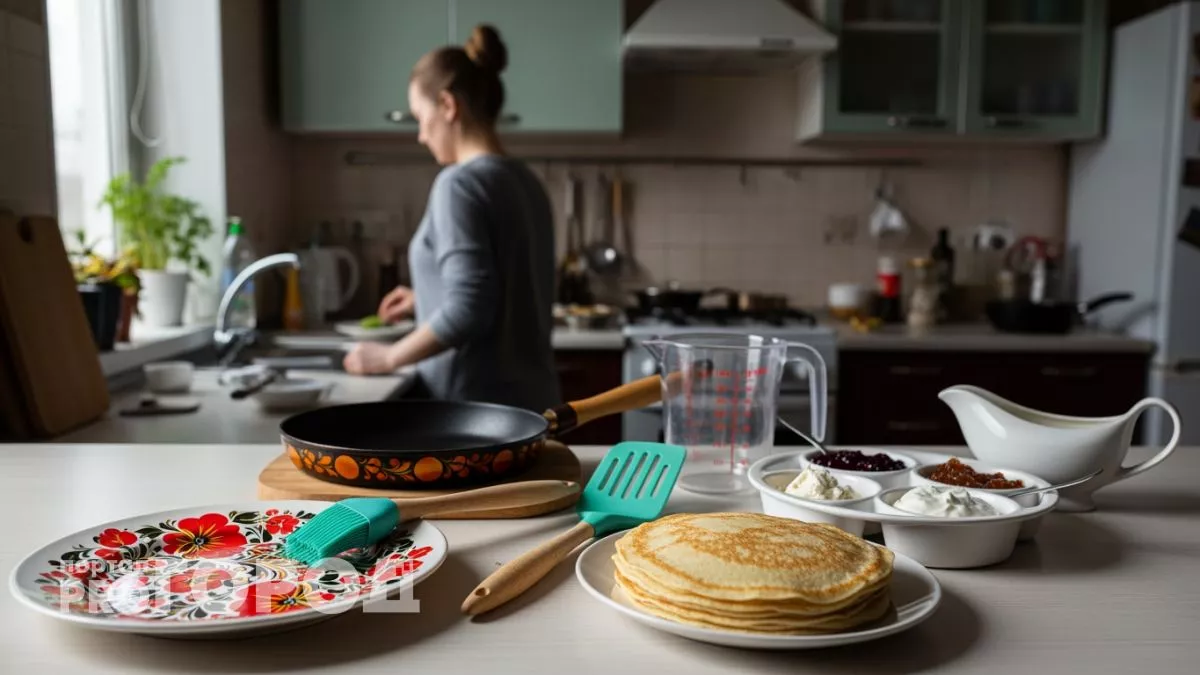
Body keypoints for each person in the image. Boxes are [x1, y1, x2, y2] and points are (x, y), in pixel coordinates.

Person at [343, 25, 561, 413]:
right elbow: (508, 289)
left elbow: (470, 309)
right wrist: (424, 297)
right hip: (533, 406)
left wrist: (389, 358)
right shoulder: (526, 181)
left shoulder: (458, 184)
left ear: (447, 105)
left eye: (419, 116)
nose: (420, 136)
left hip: (476, 416)